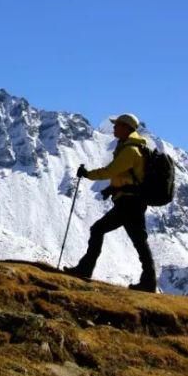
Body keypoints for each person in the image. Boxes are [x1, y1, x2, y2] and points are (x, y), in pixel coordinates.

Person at [64, 113, 157, 292]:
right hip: (132, 202)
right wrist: (111, 189)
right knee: (139, 241)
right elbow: (125, 176)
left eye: (117, 125)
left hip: (129, 204)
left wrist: (87, 174)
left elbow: (110, 171)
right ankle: (149, 282)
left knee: (98, 230)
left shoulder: (130, 151)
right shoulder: (129, 147)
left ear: (126, 128)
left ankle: (85, 269)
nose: (114, 128)